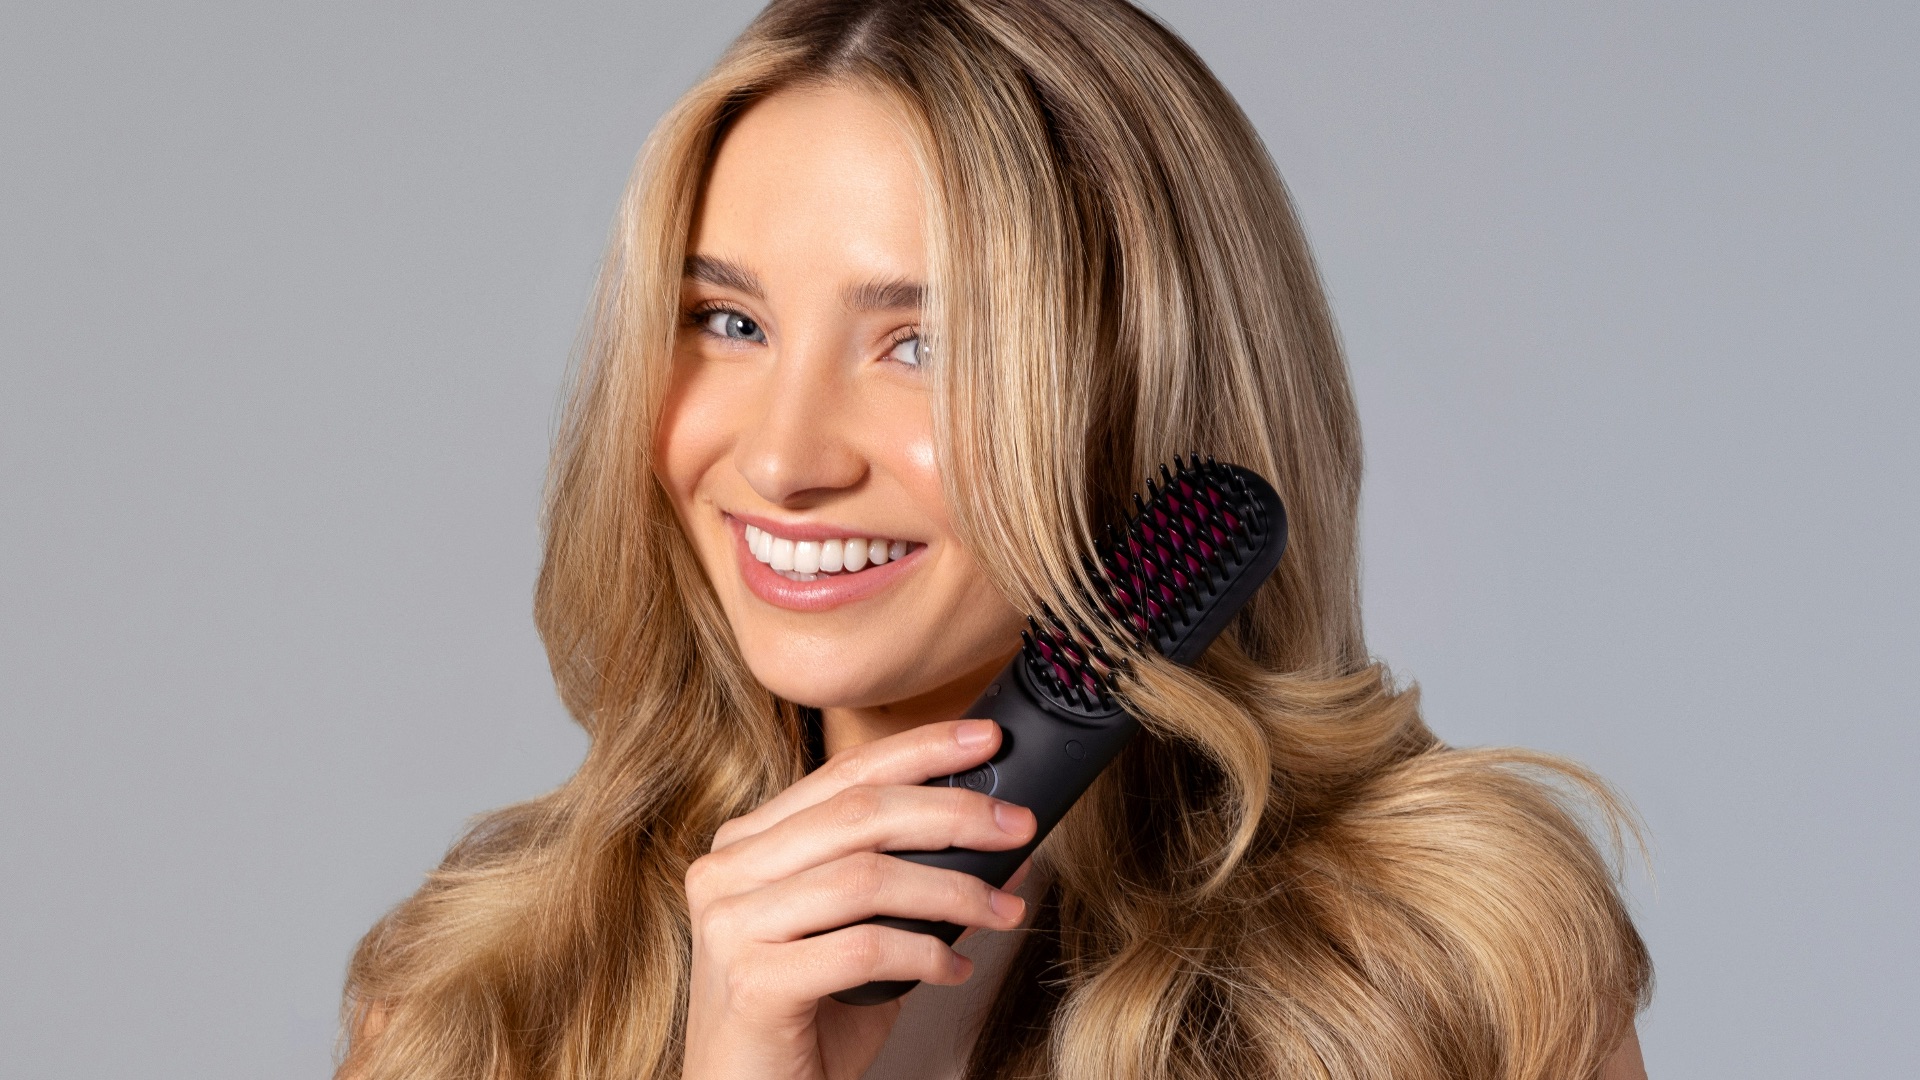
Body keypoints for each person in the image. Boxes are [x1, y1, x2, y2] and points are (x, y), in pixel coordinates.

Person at [336, 2, 1652, 1077]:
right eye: (729, 323)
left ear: (1147, 402)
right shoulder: (482, 1004)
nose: (787, 459)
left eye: (925, 345)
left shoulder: (1441, 979)